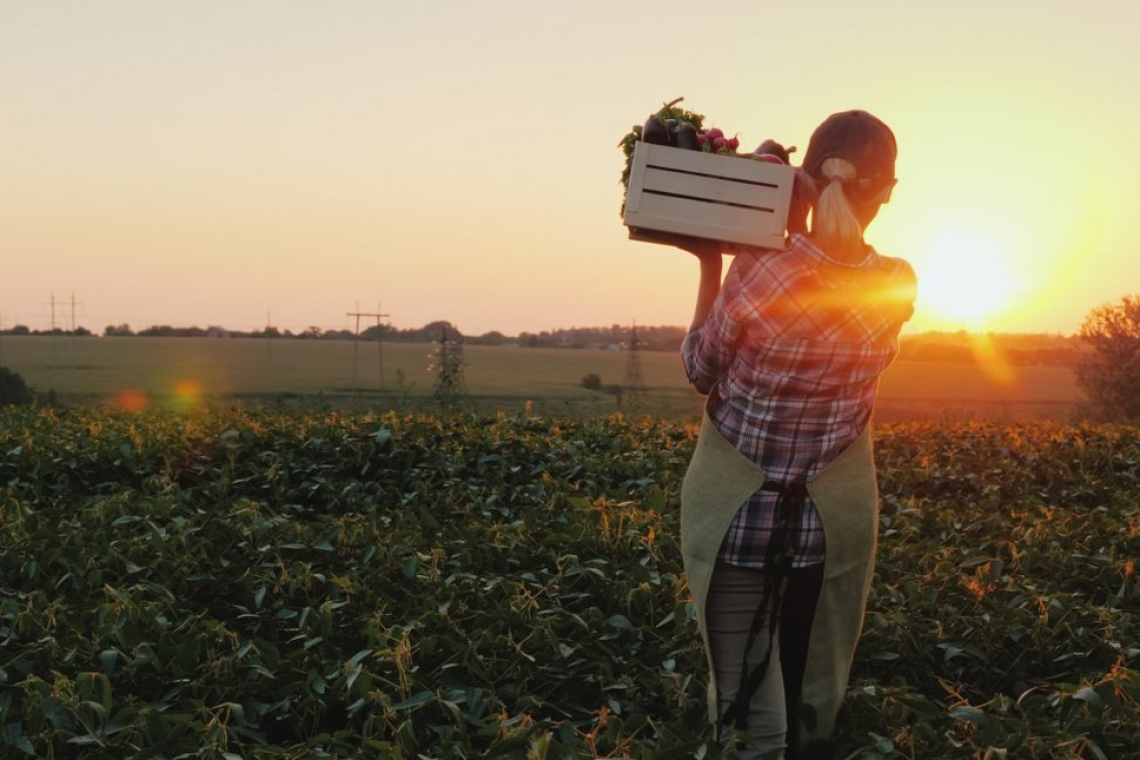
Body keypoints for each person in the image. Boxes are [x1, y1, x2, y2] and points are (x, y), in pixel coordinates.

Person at [677, 109, 917, 759]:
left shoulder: (760, 270)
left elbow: (700, 369)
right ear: (887, 192)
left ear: (805, 179)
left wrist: (711, 261)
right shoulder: (897, 284)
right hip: (823, 530)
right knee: (803, 695)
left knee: (750, 716)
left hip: (738, 525)